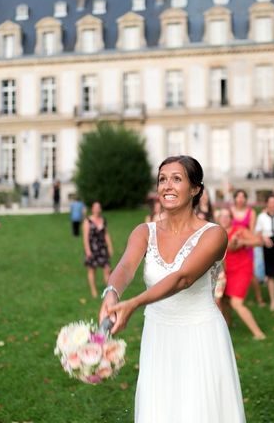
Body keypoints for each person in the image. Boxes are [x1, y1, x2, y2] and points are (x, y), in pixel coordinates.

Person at [99, 155, 245, 422]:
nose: (167, 185)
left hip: (201, 337)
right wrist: (111, 293)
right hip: (158, 337)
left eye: (177, 179)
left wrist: (133, 304)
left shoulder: (214, 234)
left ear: (195, 189)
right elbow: (125, 266)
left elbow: (183, 278)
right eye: (162, 179)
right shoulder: (144, 231)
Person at [217, 208, 266, 340]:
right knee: (224, 299)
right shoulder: (217, 232)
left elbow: (258, 241)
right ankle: (227, 324)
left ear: (231, 218)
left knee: (236, 303)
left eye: (227, 216)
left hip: (242, 269)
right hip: (227, 271)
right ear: (218, 218)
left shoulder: (239, 230)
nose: (225, 218)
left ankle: (258, 334)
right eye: (222, 216)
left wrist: (242, 242)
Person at [230, 189, 265, 307]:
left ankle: (259, 298)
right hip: (232, 246)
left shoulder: (251, 212)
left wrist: (244, 240)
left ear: (245, 199)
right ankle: (237, 296)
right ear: (234, 198)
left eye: (242, 197)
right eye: (238, 197)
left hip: (246, 245)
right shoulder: (230, 211)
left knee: (251, 273)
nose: (240, 199)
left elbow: (251, 231)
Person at [83, 202, 113, 298]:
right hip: (92, 248)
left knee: (107, 269)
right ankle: (94, 291)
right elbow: (85, 237)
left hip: (102, 248)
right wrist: (87, 250)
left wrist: (110, 246)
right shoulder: (87, 221)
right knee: (92, 270)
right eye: (95, 207)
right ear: (92, 209)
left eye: (99, 207)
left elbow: (106, 234)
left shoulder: (103, 220)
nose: (97, 209)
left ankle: (108, 291)